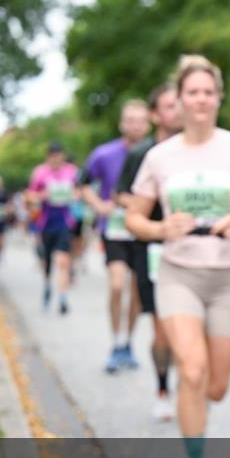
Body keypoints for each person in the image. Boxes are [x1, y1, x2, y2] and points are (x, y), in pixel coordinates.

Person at [126, 55, 230, 458]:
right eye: (192, 92)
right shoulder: (159, 157)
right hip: (178, 274)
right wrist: (160, 227)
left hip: (228, 278)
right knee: (191, 370)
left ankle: (192, 396)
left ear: (219, 98)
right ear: (179, 99)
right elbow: (134, 220)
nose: (200, 99)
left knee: (216, 386)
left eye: (208, 92)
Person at [116, 83, 184, 421]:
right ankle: (162, 387)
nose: (179, 110)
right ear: (156, 114)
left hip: (195, 248)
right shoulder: (140, 154)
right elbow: (122, 197)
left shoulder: (199, 150)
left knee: (190, 324)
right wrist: (150, 205)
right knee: (161, 327)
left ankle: (191, 374)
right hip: (153, 247)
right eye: (170, 106)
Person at [82, 100, 153, 373]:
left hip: (144, 229)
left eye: (140, 120)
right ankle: (115, 341)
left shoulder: (155, 153)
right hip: (114, 229)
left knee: (137, 292)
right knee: (116, 284)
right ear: (122, 123)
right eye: (130, 120)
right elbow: (83, 183)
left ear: (148, 123)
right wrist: (99, 206)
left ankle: (128, 343)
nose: (135, 125)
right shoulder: (103, 154)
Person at [27, 142, 80, 314]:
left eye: (59, 155)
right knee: (48, 262)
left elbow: (81, 191)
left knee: (62, 260)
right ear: (48, 156)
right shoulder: (40, 173)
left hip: (65, 222)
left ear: (63, 156)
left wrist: (73, 195)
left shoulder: (72, 172)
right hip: (45, 223)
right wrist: (44, 195)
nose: (56, 159)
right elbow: (30, 197)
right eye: (52, 155)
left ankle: (63, 298)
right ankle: (48, 287)